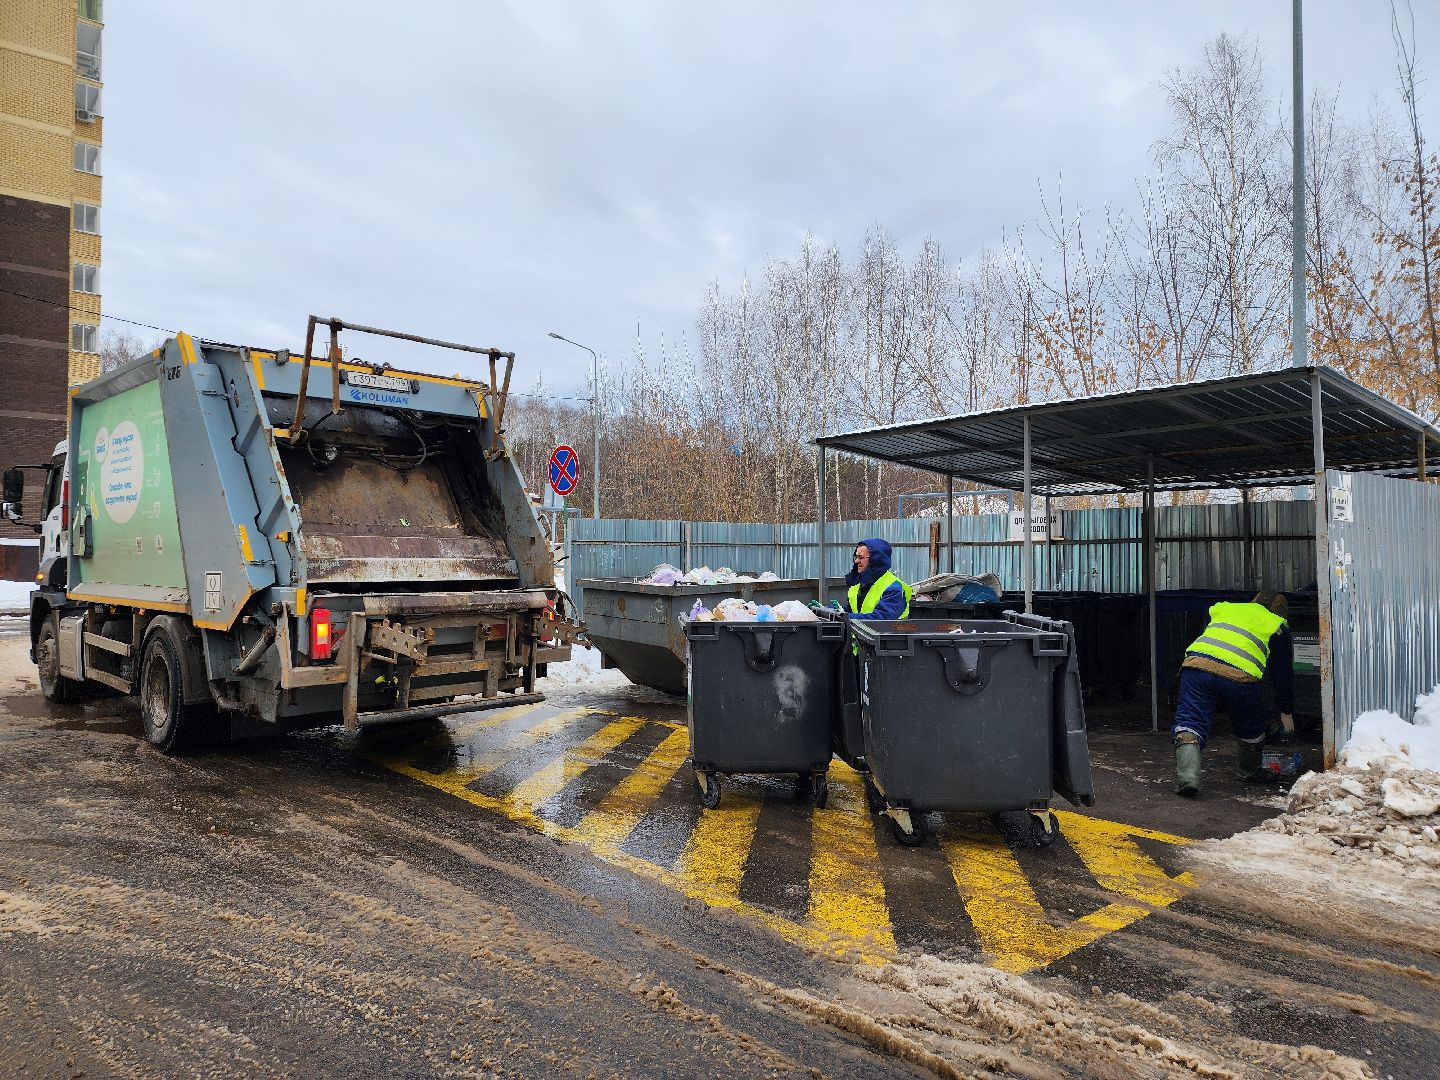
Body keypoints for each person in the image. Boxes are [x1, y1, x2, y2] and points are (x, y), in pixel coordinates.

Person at [1172, 591, 1295, 797]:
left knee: (1190, 720)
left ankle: (1188, 779)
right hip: (1239, 677)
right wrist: (1286, 711)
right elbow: (1282, 673)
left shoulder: (1226, 608)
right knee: (1251, 727)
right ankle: (1248, 771)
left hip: (1196, 667)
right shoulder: (1277, 625)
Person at [843, 538, 911, 621]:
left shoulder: (894, 588)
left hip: (885, 633)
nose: (857, 561)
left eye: (861, 557)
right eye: (856, 557)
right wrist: (832, 610)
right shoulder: (860, 583)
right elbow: (854, 610)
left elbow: (881, 619)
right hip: (862, 634)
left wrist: (844, 616)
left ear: (876, 559)